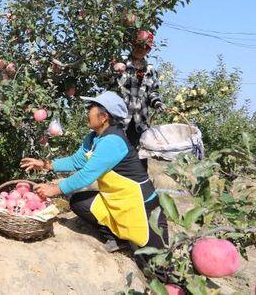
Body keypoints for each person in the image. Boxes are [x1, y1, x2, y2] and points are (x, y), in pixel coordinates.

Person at [20, 91, 168, 255]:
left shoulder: (113, 142)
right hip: (115, 200)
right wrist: (45, 164)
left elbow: (86, 175)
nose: (87, 112)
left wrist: (54, 189)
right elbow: (76, 162)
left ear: (103, 117)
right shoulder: (93, 138)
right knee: (79, 202)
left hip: (142, 206)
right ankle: (118, 240)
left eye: (91, 108)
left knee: (157, 263)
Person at [111, 31, 166, 169]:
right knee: (117, 155)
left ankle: (141, 187)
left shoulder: (150, 70)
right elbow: (107, 83)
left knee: (139, 157)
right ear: (133, 45)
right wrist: (114, 70)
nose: (141, 50)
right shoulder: (120, 62)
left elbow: (152, 92)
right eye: (139, 46)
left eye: (145, 48)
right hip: (120, 118)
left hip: (139, 121)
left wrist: (157, 103)